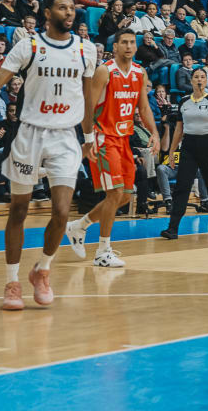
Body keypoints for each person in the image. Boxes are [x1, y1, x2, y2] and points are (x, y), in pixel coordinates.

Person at [0, 0, 97, 311]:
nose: (69, 12)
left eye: (72, 8)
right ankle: (12, 282)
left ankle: (42, 269)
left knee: (62, 211)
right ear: (47, 13)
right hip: (30, 134)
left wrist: (89, 136)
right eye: (62, 7)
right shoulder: (29, 45)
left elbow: (88, 98)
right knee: (19, 211)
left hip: (65, 137)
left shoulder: (86, 49)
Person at [64, 29, 157, 267]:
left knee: (124, 196)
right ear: (115, 47)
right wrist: (88, 139)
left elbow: (144, 108)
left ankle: (79, 225)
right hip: (104, 137)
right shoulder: (104, 71)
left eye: (132, 42)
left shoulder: (140, 72)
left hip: (124, 139)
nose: (128, 46)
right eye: (123, 42)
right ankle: (102, 252)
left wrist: (155, 133)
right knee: (114, 194)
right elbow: (88, 107)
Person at [160, 68, 208, 238]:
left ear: (206, 81)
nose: (199, 79)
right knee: (182, 187)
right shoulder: (184, 101)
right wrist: (172, 151)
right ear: (191, 81)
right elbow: (179, 130)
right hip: (188, 146)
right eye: (196, 77)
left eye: (203, 77)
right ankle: (173, 228)